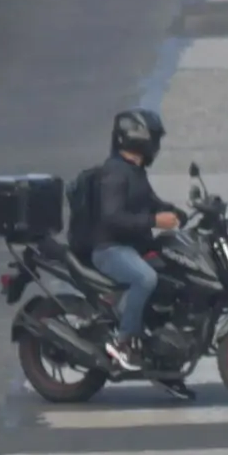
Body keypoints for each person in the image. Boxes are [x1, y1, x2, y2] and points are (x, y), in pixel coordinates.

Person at [74, 108, 179, 373]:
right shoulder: (115, 173)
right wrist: (155, 221)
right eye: (154, 138)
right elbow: (113, 217)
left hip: (131, 245)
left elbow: (150, 202)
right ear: (138, 139)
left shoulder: (134, 170)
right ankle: (124, 342)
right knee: (145, 278)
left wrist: (179, 211)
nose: (156, 145)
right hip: (110, 249)